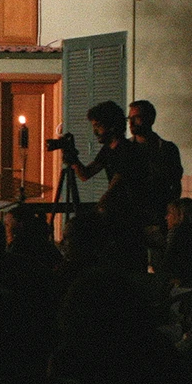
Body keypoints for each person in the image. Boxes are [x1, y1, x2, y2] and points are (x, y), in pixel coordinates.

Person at [65, 100, 154, 270]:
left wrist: (94, 214)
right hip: (117, 216)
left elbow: (116, 187)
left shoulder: (127, 151)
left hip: (127, 219)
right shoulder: (108, 150)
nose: (95, 131)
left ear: (111, 126)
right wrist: (73, 159)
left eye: (98, 126)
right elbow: (85, 174)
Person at [128, 100, 184, 210]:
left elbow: (176, 183)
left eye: (136, 118)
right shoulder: (125, 148)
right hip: (131, 213)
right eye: (130, 118)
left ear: (150, 119)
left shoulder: (167, 149)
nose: (131, 123)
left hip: (159, 211)